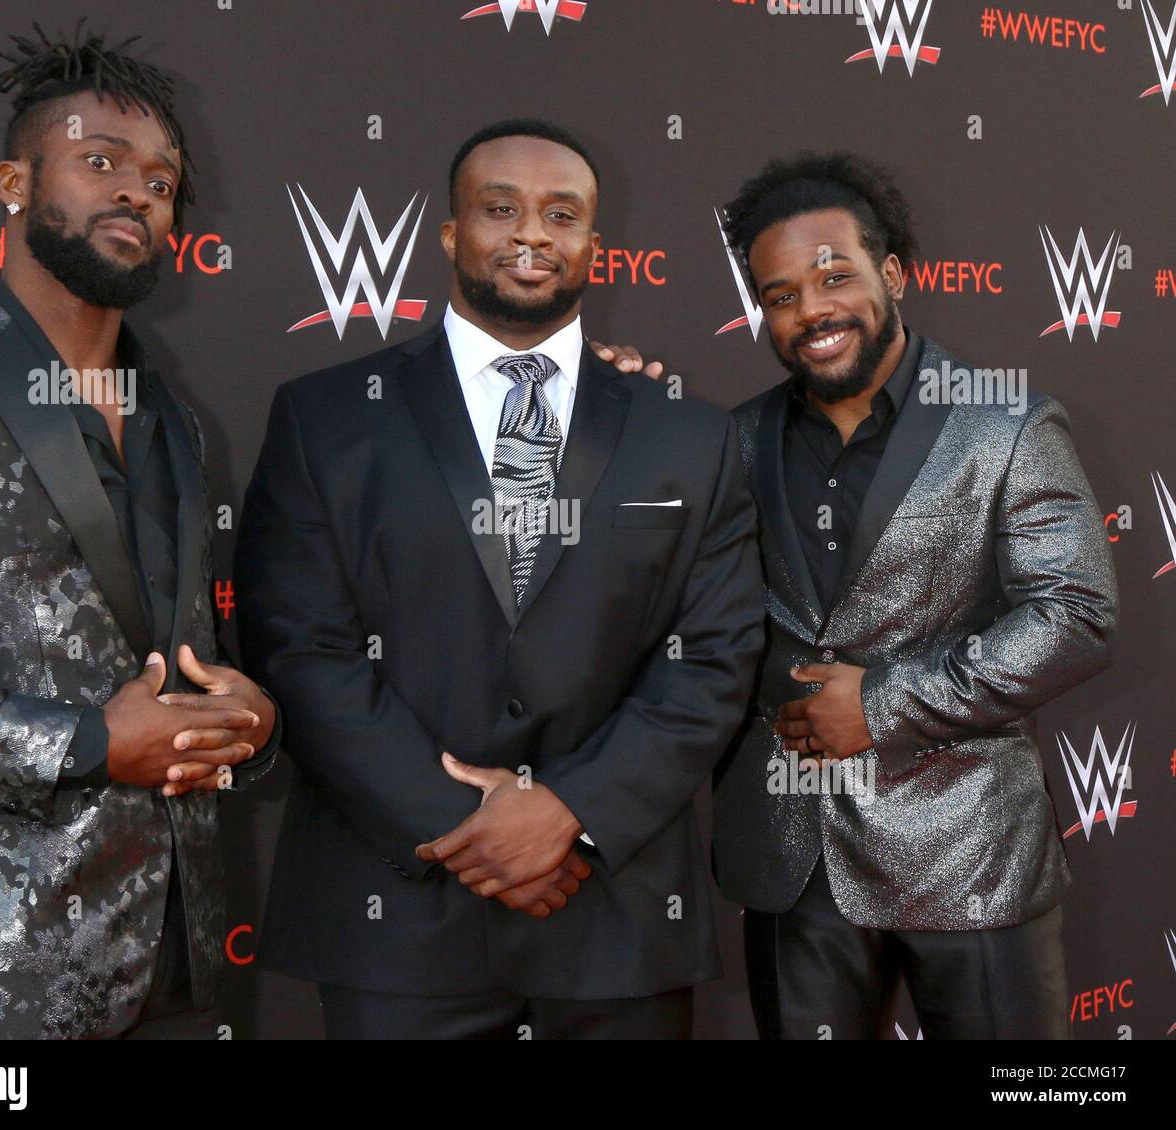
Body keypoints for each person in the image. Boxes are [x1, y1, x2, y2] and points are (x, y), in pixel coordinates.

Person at [236, 118, 765, 1040]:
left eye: (562, 215)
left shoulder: (692, 435)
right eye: (499, 209)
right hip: (396, 918)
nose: (531, 235)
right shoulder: (326, 418)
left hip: (613, 916)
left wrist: (571, 812)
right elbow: (300, 649)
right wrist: (464, 824)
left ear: (595, 246)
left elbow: (714, 658)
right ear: (450, 235)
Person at [0, 23, 278, 1040]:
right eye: (99, 161)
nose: (138, 192)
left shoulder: (174, 420)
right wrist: (90, 739)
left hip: (175, 957)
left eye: (159, 177)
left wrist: (242, 720)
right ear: (15, 179)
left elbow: (171, 656)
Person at [705, 152, 1118, 1038]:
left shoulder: (1007, 423)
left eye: (832, 275)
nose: (810, 309)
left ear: (891, 273)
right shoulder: (733, 439)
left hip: (972, 857)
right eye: (779, 295)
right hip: (793, 859)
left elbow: (1076, 616)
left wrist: (885, 705)